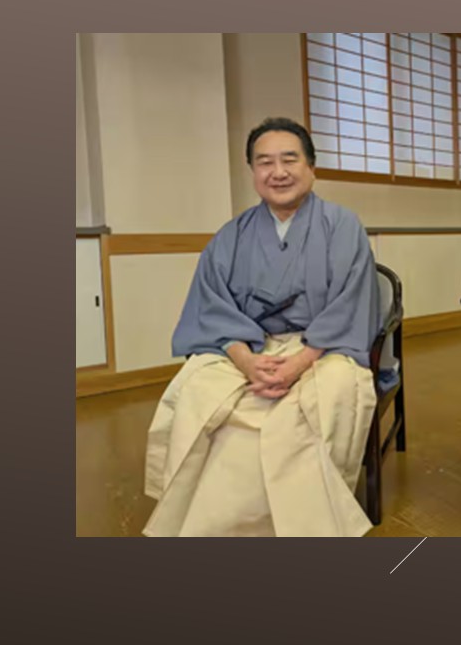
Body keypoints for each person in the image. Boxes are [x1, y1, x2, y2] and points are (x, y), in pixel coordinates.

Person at [143, 117, 380, 537]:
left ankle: (302, 527)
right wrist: (245, 361)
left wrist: (300, 362)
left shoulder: (342, 226)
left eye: (290, 159)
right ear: (252, 171)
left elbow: (351, 302)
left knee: (330, 395)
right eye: (265, 162)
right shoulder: (231, 235)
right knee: (198, 389)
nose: (278, 172)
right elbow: (211, 305)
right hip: (247, 346)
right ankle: (212, 523)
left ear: (311, 167)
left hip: (321, 347)